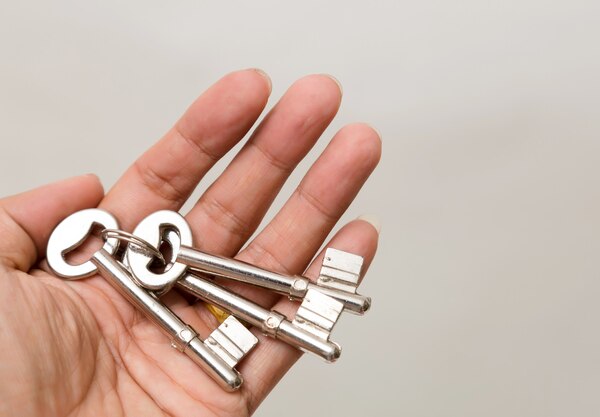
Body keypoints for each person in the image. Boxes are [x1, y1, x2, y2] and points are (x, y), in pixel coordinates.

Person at [0, 69, 381, 417]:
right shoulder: (118, 258)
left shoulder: (135, 255)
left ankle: (320, 301)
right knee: (280, 309)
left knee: (280, 307)